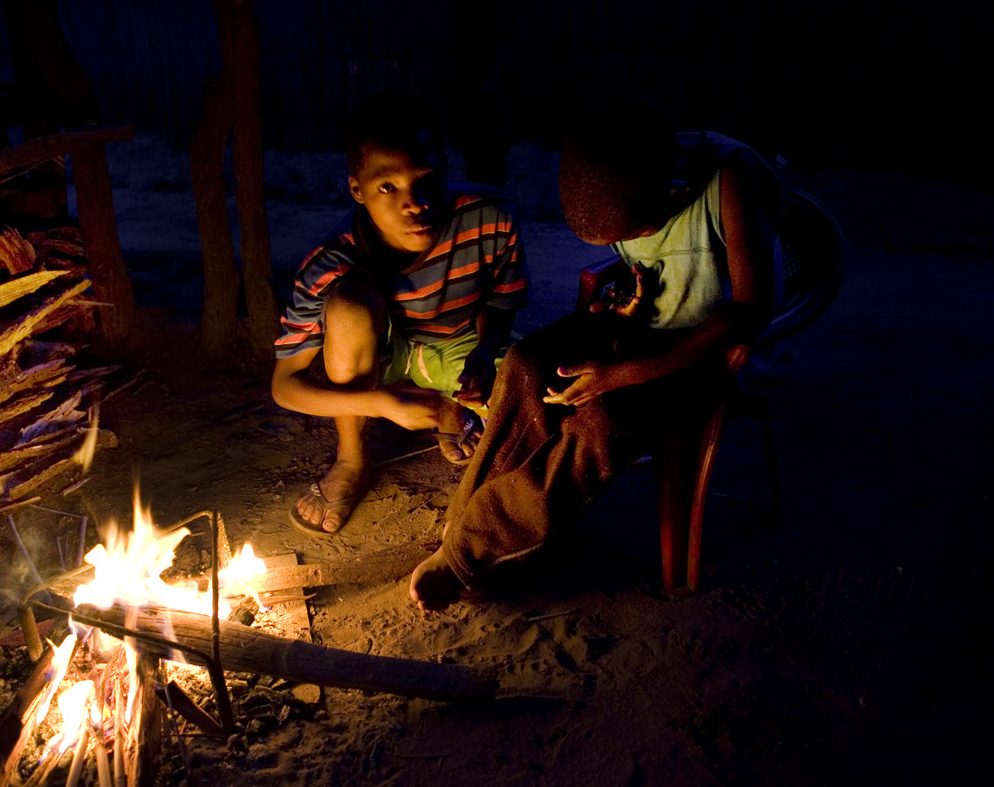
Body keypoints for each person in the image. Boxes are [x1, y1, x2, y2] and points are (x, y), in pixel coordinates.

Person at [409, 102, 783, 610]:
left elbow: (752, 309)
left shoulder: (731, 178)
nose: (629, 247)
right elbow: (650, 271)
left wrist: (622, 375)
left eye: (632, 237)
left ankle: (470, 550)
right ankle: (472, 525)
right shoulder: (621, 162)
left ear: (673, 192)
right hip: (640, 328)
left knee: (598, 423)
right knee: (524, 364)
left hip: (709, 354)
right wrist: (619, 311)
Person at [271, 93, 530, 536]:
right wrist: (381, 403)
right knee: (349, 304)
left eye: (427, 179)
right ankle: (351, 459)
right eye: (387, 187)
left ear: (447, 171)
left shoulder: (491, 218)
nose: (414, 203)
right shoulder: (330, 262)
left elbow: (501, 303)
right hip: (383, 357)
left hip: (458, 344)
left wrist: (485, 353)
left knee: (532, 397)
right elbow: (284, 387)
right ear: (357, 189)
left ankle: (449, 407)